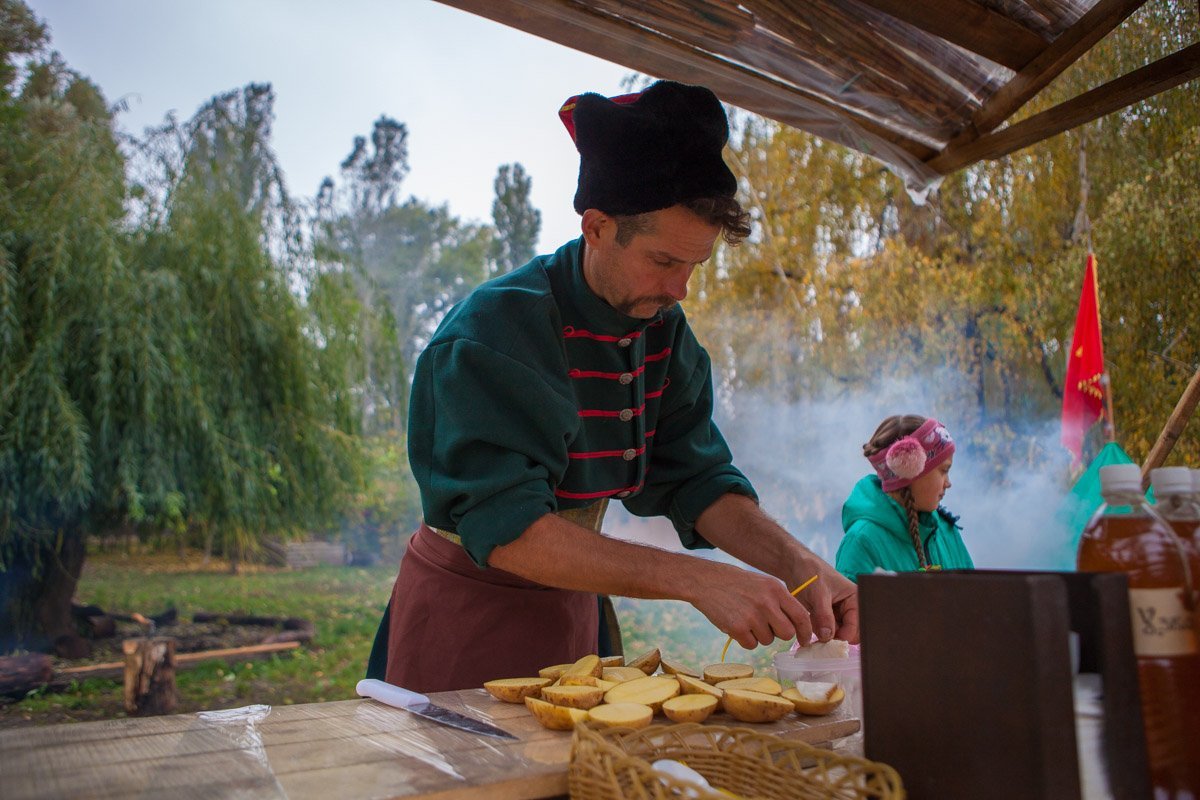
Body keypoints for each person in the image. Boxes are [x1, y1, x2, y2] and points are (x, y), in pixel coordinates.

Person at [366, 80, 858, 692]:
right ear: (597, 227)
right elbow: (510, 530)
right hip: (468, 613)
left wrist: (801, 566)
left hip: (577, 608)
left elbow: (697, 479)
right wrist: (697, 580)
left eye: (694, 266)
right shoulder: (490, 337)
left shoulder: (663, 334)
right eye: (663, 262)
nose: (680, 290)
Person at [835, 415, 972, 582]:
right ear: (911, 469)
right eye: (944, 470)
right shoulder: (862, 542)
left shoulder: (946, 530)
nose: (948, 483)